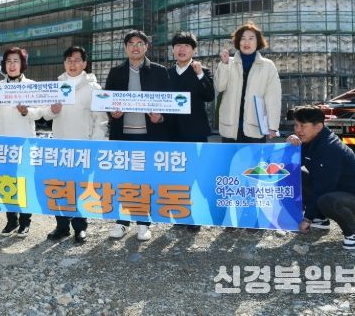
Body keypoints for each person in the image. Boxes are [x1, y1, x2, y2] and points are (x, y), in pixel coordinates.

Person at [105, 30, 170, 241]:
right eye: (131, 43)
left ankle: (144, 223)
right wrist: (112, 113)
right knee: (123, 180)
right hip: (123, 135)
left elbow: (169, 103)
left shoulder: (160, 71)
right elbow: (107, 101)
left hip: (148, 136)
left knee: (145, 180)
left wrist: (160, 117)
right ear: (126, 48)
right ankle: (122, 222)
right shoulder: (116, 72)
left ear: (146, 47)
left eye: (140, 43)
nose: (135, 47)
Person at [41, 46, 108, 244]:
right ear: (64, 63)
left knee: (81, 187)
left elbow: (101, 120)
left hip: (83, 147)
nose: (73, 64)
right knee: (60, 186)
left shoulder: (94, 88)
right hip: (60, 146)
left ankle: (80, 227)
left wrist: (94, 145)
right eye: (69, 60)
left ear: (85, 64)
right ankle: (61, 226)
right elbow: (46, 114)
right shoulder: (56, 86)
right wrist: (52, 110)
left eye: (77, 60)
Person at [0, 47, 43, 238]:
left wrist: (27, 111)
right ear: (4, 65)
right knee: (6, 180)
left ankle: (25, 221)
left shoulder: (31, 86)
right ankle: (11, 220)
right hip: (4, 143)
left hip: (25, 142)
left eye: (16, 61)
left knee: (24, 181)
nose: (12, 65)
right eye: (8, 61)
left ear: (22, 64)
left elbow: (40, 111)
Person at [287, 105, 355, 249]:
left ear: (318, 127)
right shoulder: (310, 141)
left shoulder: (330, 148)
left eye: (303, 126)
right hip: (335, 190)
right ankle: (320, 218)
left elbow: (322, 188)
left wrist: (307, 218)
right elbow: (292, 165)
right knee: (297, 175)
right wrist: (290, 147)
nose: (298, 130)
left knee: (327, 200)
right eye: (296, 125)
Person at [167, 31, 215, 231]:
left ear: (194, 50)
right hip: (171, 131)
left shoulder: (201, 70)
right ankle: (180, 214)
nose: (182, 49)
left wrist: (200, 75)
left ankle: (197, 215)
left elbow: (209, 96)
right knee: (176, 174)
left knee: (197, 173)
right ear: (173, 49)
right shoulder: (167, 73)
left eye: (186, 46)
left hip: (195, 130)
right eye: (178, 45)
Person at [214, 21, 281, 143]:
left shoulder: (268, 66)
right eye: (243, 38)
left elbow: (273, 98)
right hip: (230, 128)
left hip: (255, 127)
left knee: (254, 157)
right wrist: (224, 65)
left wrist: (273, 126)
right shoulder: (227, 62)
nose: (246, 42)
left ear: (258, 42)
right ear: (238, 42)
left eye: (251, 38)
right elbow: (220, 87)